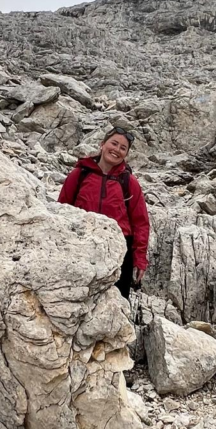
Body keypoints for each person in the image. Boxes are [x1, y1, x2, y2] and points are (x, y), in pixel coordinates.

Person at [58, 127, 150, 300]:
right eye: (114, 143)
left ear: (126, 154)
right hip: (81, 246)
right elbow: (62, 209)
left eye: (123, 148)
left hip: (120, 251)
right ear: (102, 144)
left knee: (116, 302)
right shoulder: (80, 174)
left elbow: (140, 223)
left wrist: (139, 259)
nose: (116, 150)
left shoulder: (128, 182)